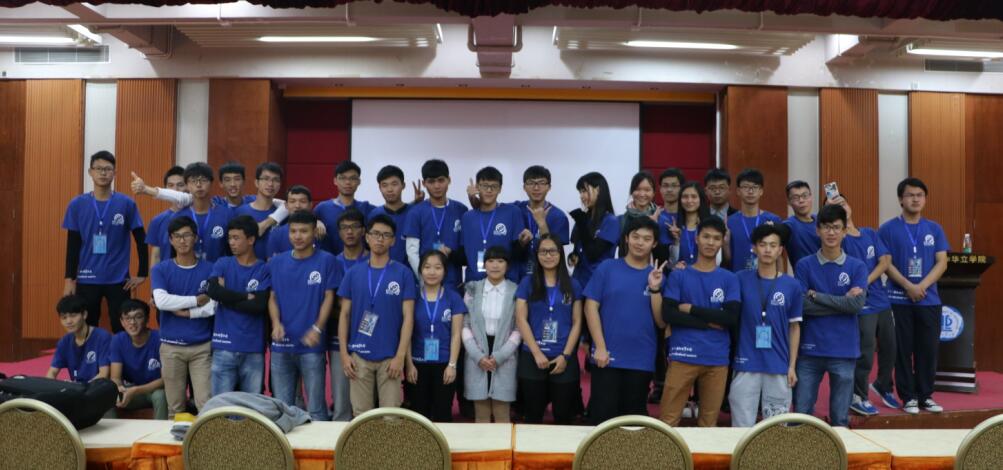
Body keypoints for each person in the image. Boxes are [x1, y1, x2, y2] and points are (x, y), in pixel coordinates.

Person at [659, 217, 740, 427]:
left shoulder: (729, 278)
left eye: (716, 238)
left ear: (722, 241)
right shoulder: (679, 275)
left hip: (716, 358)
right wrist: (707, 323)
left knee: (708, 425)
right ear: (696, 239)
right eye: (706, 237)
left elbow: (730, 318)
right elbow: (669, 314)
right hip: (683, 354)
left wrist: (691, 309)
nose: (711, 242)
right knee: (668, 422)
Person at [793, 204, 868, 427]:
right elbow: (801, 305)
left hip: (844, 350)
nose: (831, 232)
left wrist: (817, 296)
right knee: (801, 415)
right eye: (826, 227)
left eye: (836, 227)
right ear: (817, 230)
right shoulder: (804, 265)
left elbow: (856, 305)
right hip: (809, 350)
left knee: (840, 419)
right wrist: (842, 301)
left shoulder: (857, 266)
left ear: (845, 231)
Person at [878, 177, 949, 414]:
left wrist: (922, 286)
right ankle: (908, 396)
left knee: (928, 350)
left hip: (929, 300)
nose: (915, 199)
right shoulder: (887, 229)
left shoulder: (934, 229)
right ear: (901, 199)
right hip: (898, 299)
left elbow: (942, 262)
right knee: (902, 350)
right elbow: (885, 263)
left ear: (925, 199)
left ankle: (926, 395)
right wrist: (908, 286)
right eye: (910, 195)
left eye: (920, 195)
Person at [585, 218, 665, 424]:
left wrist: (655, 288)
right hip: (606, 356)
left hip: (640, 359)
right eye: (636, 237)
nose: (640, 242)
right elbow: (590, 307)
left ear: (654, 243)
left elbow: (661, 322)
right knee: (602, 420)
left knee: (633, 423)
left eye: (647, 239)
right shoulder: (607, 268)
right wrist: (599, 347)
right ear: (627, 238)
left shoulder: (657, 275)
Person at [338, 214, 416, 416]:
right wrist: (345, 355)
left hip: (390, 356)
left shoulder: (403, 273)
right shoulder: (353, 273)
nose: (380, 239)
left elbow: (408, 318)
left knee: (391, 417)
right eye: (375, 234)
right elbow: (344, 315)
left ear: (393, 241)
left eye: (386, 235)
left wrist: (400, 356)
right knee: (361, 416)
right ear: (367, 237)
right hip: (359, 355)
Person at [63, 151, 148, 333]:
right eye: (99, 169)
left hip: (118, 279)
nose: (103, 173)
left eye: (108, 169)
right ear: (90, 172)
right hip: (87, 277)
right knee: (87, 328)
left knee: (122, 327)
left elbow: (141, 239)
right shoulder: (77, 204)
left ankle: (121, 353)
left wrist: (142, 272)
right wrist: (69, 279)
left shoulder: (126, 203)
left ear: (114, 173)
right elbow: (73, 245)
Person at [730, 224, 803, 427]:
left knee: (776, 429)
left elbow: (794, 327)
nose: (768, 250)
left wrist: (792, 366)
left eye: (773, 245)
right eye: (762, 245)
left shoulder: (792, 285)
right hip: (746, 363)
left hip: (778, 365)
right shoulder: (739, 279)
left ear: (780, 250)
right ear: (754, 248)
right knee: (741, 427)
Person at [827, 196, 894, 416]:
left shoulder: (870, 233)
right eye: (834, 207)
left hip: (881, 300)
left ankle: (883, 384)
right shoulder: (839, 239)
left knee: (890, 346)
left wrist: (864, 281)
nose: (841, 208)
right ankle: (858, 396)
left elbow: (885, 261)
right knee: (865, 351)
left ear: (850, 206)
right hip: (861, 304)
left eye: (843, 203)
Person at [268, 210, 336, 421]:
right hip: (281, 346)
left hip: (311, 347)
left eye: (304, 231)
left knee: (316, 408)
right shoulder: (277, 262)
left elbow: (329, 297)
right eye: (293, 231)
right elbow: (272, 297)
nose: (297, 236)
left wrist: (317, 328)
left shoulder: (327, 260)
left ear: (315, 232)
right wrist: (276, 323)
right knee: (283, 409)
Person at [151, 216, 216, 418]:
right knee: (175, 408)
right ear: (170, 240)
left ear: (195, 238)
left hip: (202, 346)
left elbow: (213, 305)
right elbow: (162, 301)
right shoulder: (160, 269)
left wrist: (187, 313)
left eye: (187, 235)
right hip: (171, 347)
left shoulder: (210, 268)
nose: (182, 240)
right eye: (177, 236)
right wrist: (196, 300)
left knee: (206, 405)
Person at [515, 234, 583, 424]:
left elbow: (577, 322)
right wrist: (536, 353)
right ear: (537, 255)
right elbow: (520, 319)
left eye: (553, 251)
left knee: (563, 417)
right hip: (532, 357)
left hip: (563, 357)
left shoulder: (573, 284)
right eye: (543, 251)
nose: (548, 256)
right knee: (533, 417)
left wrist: (565, 356)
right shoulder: (527, 283)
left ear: (560, 253)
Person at [207, 215, 271, 395]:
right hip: (223, 345)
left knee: (251, 406)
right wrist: (244, 296)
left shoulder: (263, 269)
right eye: (229, 238)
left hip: (253, 348)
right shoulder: (223, 263)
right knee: (221, 406)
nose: (231, 243)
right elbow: (212, 291)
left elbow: (259, 306)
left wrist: (225, 297)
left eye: (236, 238)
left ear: (251, 240)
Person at [462, 246, 521, 423]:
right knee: (481, 415)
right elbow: (465, 325)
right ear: (484, 264)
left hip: (505, 355)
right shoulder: (472, 289)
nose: (495, 265)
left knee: (503, 414)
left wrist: (501, 355)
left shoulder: (516, 291)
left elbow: (519, 328)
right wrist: (477, 355)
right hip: (477, 355)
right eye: (491, 261)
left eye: (500, 261)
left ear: (507, 266)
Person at [406, 251, 466, 422]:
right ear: (420, 270)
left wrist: (452, 365)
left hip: (444, 364)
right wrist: (409, 365)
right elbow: (406, 333)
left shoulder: (453, 297)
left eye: (438, 267)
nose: (432, 272)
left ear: (445, 271)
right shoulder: (412, 297)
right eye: (427, 267)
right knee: (418, 414)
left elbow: (456, 334)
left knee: (443, 413)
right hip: (417, 364)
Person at [328, 208, 370, 421]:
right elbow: (329, 301)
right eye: (345, 228)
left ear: (363, 231)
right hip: (339, 337)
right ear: (339, 232)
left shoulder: (374, 261)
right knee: (342, 401)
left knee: (370, 403)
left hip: (369, 337)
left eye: (354, 227)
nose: (350, 232)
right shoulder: (332, 262)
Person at [404, 159, 469, 291]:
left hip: (454, 284)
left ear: (449, 180)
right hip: (426, 286)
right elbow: (412, 252)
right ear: (424, 183)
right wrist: (424, 280)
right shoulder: (415, 212)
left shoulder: (461, 210)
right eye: (431, 181)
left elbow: (466, 250)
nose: (437, 186)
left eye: (441, 180)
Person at [460, 166, 527, 282]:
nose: (489, 190)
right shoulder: (467, 217)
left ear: (500, 189)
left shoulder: (512, 212)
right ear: (477, 187)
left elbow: (519, 251)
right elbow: (463, 253)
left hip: (506, 281)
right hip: (474, 282)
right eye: (485, 186)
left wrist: (523, 243)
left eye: (494, 186)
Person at [109, 299, 167, 420]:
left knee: (160, 396)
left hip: (154, 390)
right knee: (106, 396)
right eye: (127, 318)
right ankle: (114, 432)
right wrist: (119, 388)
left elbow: (165, 380)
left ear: (147, 319)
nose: (132, 322)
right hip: (131, 392)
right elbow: (115, 377)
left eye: (138, 317)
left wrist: (136, 390)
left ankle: (160, 432)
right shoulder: (118, 340)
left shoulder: (160, 338)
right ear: (122, 322)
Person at [513, 165, 570, 278]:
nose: (536, 188)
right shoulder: (515, 209)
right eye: (531, 183)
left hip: (545, 276)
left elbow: (554, 251)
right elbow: (491, 208)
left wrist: (542, 224)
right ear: (524, 187)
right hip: (518, 275)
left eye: (542, 183)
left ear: (549, 187)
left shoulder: (558, 216)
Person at [569, 172, 620, 289]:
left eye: (584, 191)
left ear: (598, 190)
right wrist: (572, 257)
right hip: (578, 283)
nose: (582, 196)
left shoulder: (610, 221)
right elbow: (577, 250)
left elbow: (593, 254)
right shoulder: (583, 218)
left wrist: (580, 222)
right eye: (580, 192)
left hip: (597, 284)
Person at [47, 294, 112, 383]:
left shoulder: (102, 337)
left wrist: (81, 387)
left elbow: (104, 374)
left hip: (98, 387)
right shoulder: (64, 342)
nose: (68, 321)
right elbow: (52, 372)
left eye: (73, 316)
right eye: (64, 317)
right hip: (77, 388)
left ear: (84, 314)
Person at [727, 168, 782, 272]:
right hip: (737, 277)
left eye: (755, 187)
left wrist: (780, 280)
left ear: (761, 191)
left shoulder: (773, 220)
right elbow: (727, 258)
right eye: (746, 187)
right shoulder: (730, 222)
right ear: (738, 191)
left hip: (767, 278)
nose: (750, 191)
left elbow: (779, 257)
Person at [368, 165, 424, 265]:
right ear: (379, 187)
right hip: (381, 270)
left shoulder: (415, 212)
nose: (390, 189)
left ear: (403, 185)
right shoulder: (374, 214)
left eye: (394, 184)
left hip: (411, 271)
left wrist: (417, 204)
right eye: (384, 185)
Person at [316, 161, 375, 255]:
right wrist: (315, 221)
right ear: (335, 181)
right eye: (343, 178)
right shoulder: (322, 209)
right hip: (329, 261)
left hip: (360, 261)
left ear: (359, 181)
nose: (347, 182)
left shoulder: (368, 209)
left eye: (353, 178)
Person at [234, 162, 285, 260]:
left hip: (275, 267)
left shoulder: (283, 213)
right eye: (266, 179)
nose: (270, 184)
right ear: (256, 183)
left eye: (275, 180)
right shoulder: (241, 212)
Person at [146, 166, 187, 267]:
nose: (175, 190)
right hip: (167, 274)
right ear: (164, 189)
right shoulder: (157, 220)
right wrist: (154, 276)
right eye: (170, 185)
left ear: (188, 187)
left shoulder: (196, 215)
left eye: (180, 185)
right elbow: (156, 255)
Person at [669, 182, 715, 269]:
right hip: (682, 274)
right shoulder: (674, 227)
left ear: (701, 199)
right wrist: (676, 241)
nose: (689, 200)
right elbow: (672, 262)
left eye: (694, 197)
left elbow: (718, 261)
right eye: (685, 197)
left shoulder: (710, 225)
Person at [267, 185, 315, 259]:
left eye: (303, 201)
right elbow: (272, 263)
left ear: (310, 205)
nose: (297, 206)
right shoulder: (276, 234)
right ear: (286, 205)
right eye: (292, 201)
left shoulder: (319, 231)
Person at [618, 171, 659, 257]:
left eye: (647, 190)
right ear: (631, 192)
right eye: (637, 189)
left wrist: (655, 226)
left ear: (653, 193)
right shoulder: (621, 220)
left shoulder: (661, 218)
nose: (642, 194)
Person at [783, 181, 820, 267]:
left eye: (805, 196)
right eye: (796, 198)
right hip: (804, 274)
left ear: (811, 196)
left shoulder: (822, 220)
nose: (801, 200)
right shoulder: (788, 225)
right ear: (789, 201)